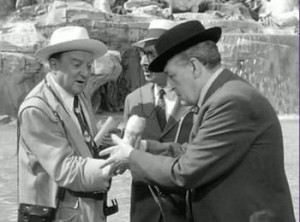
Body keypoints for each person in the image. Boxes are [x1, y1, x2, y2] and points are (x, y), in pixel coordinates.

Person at [100, 20, 296, 222]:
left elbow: (185, 172)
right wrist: (143, 146)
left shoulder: (230, 101)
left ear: (194, 66)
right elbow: (192, 153)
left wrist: (131, 156)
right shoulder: (223, 94)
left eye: (173, 76)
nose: (170, 86)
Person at [17, 26, 117, 222]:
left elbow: (85, 147)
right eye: (77, 64)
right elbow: (66, 168)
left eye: (89, 66)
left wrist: (112, 144)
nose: (85, 73)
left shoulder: (81, 95)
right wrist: (113, 165)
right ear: (53, 65)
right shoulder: (36, 109)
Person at [124, 19, 193, 222]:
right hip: (145, 207)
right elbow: (128, 154)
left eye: (152, 54)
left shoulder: (194, 99)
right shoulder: (133, 100)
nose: (145, 62)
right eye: (143, 55)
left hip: (186, 209)